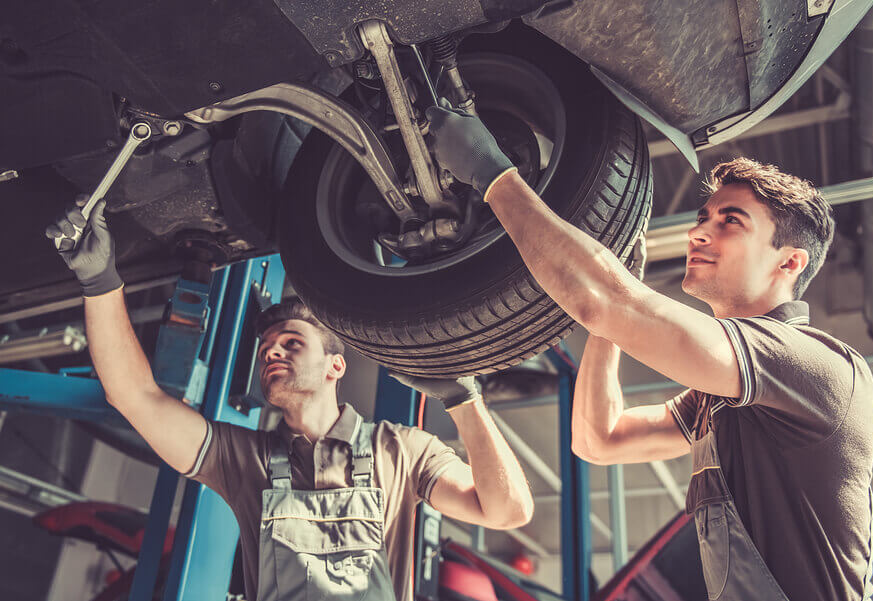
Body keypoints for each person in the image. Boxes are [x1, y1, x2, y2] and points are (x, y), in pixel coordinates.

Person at [425, 104, 873, 601]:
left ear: (789, 261)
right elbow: (599, 438)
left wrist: (491, 173)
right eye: (703, 216)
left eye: (731, 221)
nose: (697, 231)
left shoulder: (815, 364)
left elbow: (605, 300)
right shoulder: (719, 398)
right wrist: (614, 324)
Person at [45, 198, 534, 601]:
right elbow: (135, 396)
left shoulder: (402, 451)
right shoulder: (242, 460)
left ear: (334, 366)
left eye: (292, 343)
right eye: (265, 347)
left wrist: (462, 396)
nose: (271, 350)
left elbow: (507, 512)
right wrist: (101, 283)